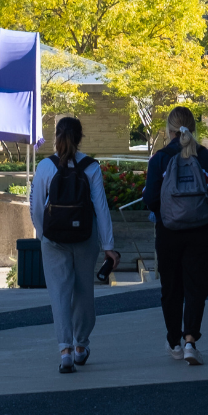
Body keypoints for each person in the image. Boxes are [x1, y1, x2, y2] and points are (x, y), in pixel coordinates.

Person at [29, 117, 120, 373]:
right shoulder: (91, 167)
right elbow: (101, 209)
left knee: (58, 293)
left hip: (53, 239)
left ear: (56, 136)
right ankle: (81, 345)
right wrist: (108, 246)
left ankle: (65, 349)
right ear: (80, 137)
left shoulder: (46, 167)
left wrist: (42, 233)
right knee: (83, 290)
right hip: (85, 238)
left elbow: (36, 205)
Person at [143, 107, 208, 366]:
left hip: (168, 233)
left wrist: (167, 215)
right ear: (194, 128)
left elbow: (150, 198)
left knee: (171, 288)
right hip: (200, 233)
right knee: (196, 287)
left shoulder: (160, 160)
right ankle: (191, 340)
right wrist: (206, 223)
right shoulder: (207, 159)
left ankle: (174, 341)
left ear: (169, 130)